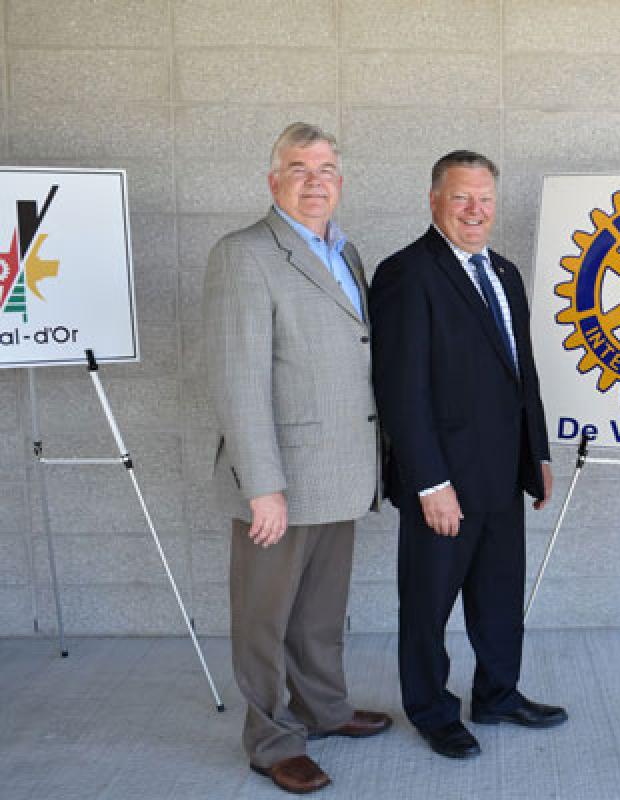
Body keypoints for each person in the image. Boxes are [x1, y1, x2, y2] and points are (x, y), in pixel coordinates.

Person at [203, 122, 392, 794]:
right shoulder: (245, 254)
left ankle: (324, 710)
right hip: (279, 478)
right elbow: (237, 379)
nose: (316, 181)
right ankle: (272, 738)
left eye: (327, 168)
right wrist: (263, 486)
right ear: (272, 180)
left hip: (339, 471)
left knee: (319, 612)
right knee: (265, 616)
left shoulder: (347, 252)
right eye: (299, 167)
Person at [370, 150, 565, 760]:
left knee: (500, 597)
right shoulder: (406, 273)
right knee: (428, 604)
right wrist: (429, 482)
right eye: (461, 198)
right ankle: (431, 709)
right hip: (445, 481)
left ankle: (498, 694)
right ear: (434, 201)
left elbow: (521, 372)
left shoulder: (504, 272)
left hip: (504, 472)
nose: (475, 210)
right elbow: (400, 389)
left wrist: (539, 453)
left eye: (484, 198)